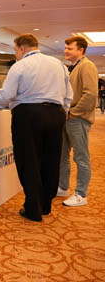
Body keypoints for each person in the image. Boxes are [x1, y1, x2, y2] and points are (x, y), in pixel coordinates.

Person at [0, 33, 72, 222]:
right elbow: (69, 95)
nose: (16, 54)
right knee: (51, 160)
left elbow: (7, 94)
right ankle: (45, 205)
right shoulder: (58, 64)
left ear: (22, 48)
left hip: (28, 115)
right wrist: (62, 112)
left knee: (29, 160)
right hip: (56, 114)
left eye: (15, 50)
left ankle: (33, 208)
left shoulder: (20, 66)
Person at [57, 36, 98, 207]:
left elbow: (91, 95)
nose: (66, 51)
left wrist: (74, 113)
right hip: (67, 117)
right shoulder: (72, 67)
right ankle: (63, 187)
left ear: (81, 50)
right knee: (62, 155)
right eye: (66, 47)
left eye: (70, 48)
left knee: (81, 157)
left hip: (78, 119)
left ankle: (81, 194)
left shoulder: (87, 66)